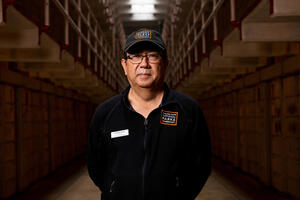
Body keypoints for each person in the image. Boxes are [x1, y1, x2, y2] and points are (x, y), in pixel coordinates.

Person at [87, 28, 211, 200]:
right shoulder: (106, 113)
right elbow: (95, 165)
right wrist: (113, 190)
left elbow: (201, 165)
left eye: (152, 55)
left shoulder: (187, 110)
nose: (144, 63)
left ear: (165, 63)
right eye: (135, 56)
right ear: (124, 65)